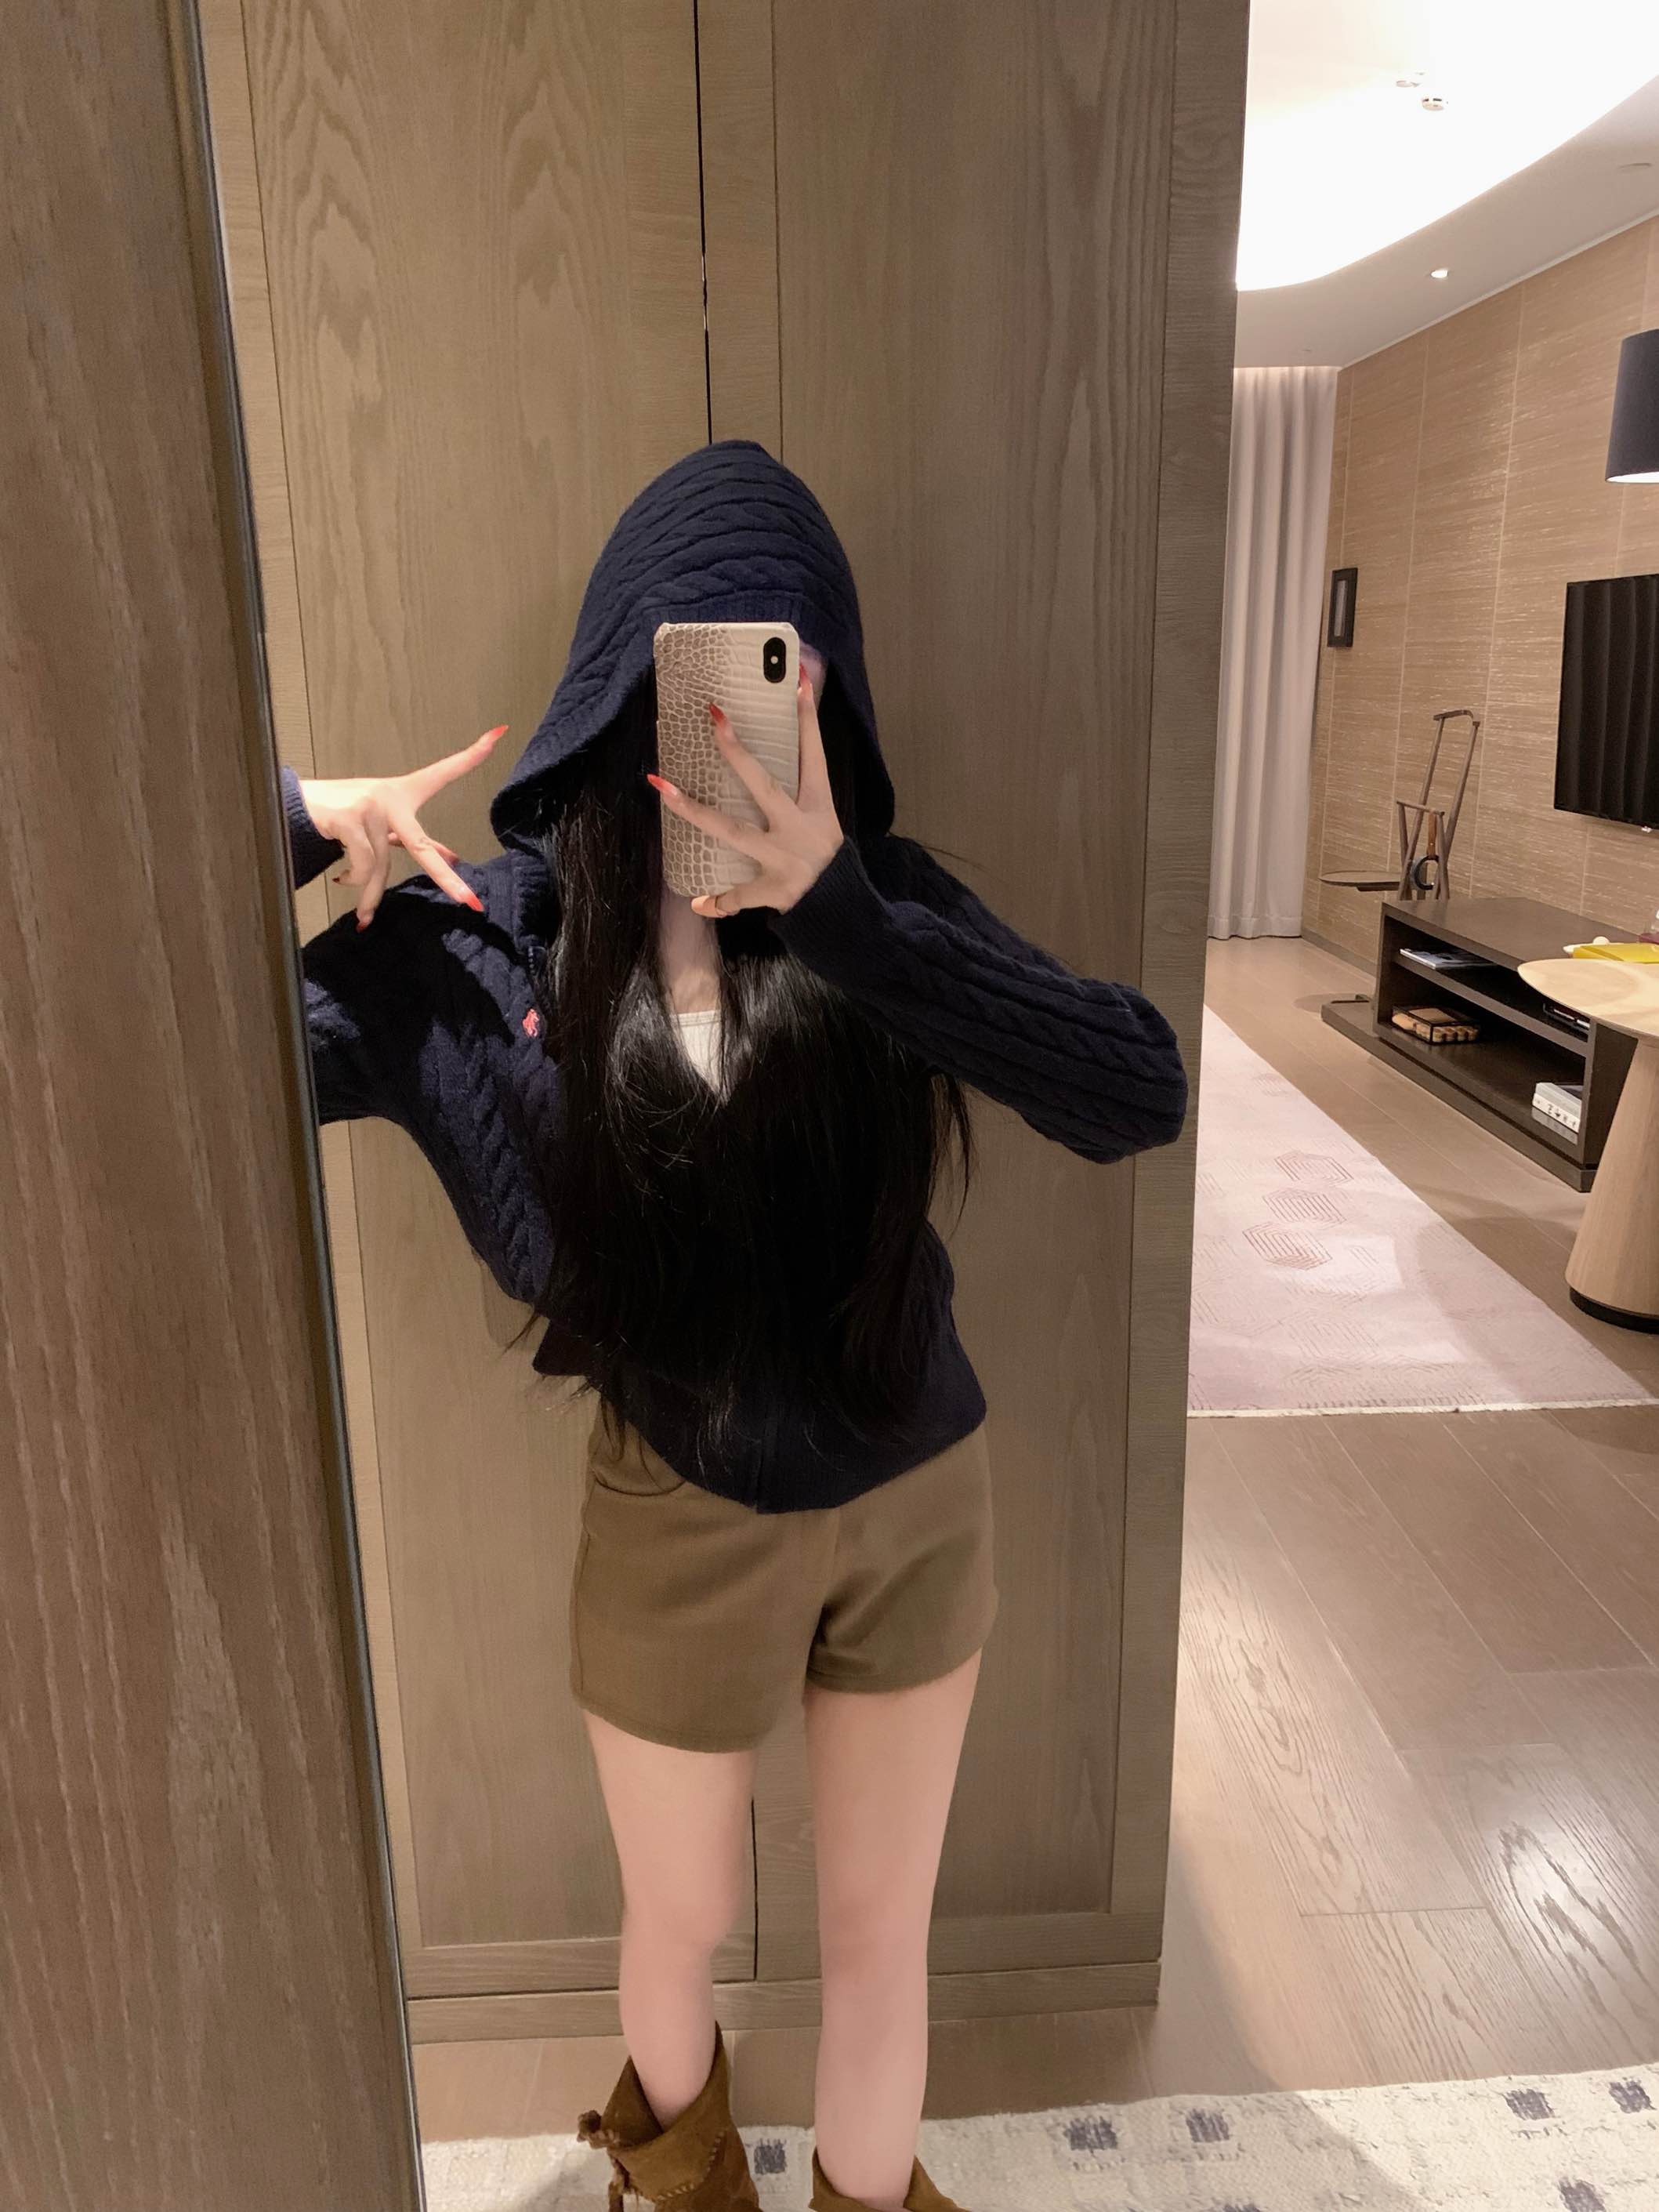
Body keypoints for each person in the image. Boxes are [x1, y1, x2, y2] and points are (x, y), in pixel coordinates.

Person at [277, 439, 1187, 2212]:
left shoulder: (887, 909)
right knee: (678, 1916)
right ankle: (683, 2180)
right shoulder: (481, 937)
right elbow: (154, 1005)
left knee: (879, 1929)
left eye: (776, 677)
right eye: (683, 679)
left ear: (823, 693)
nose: (727, 726)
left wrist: (848, 914)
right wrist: (299, 814)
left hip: (918, 1487)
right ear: (612, 691)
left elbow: (1135, 1088)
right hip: (679, 1502)